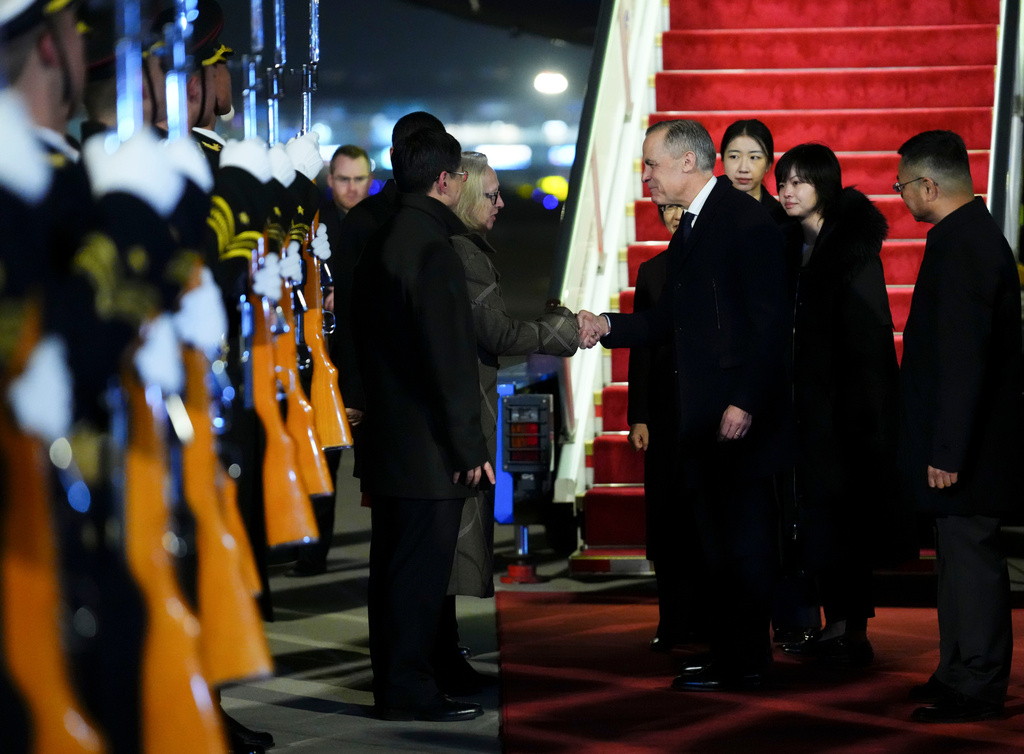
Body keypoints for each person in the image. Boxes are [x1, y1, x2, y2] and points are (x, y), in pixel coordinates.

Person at [578, 119, 791, 691]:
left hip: (736, 424)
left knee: (743, 548)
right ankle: (727, 653)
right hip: (700, 422)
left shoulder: (747, 222)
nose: (645, 176)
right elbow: (670, 320)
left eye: (652, 165)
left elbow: (773, 327)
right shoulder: (694, 226)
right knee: (715, 547)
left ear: (688, 164)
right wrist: (608, 326)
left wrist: (744, 401)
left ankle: (747, 661)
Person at [353, 127, 493, 722]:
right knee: (416, 577)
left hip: (388, 439)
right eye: (460, 176)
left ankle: (396, 682)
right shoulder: (433, 248)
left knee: (390, 571)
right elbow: (449, 358)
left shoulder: (384, 234)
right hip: (427, 447)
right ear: (443, 181)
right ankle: (409, 690)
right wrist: (468, 444)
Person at [433, 150, 579, 691]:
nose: (500, 204)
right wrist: (564, 329)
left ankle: (443, 655)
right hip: (462, 420)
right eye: (491, 195)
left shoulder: (455, 246)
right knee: (448, 547)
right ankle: (437, 661)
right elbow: (496, 334)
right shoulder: (465, 253)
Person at [894, 130, 1022, 723]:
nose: (900, 197)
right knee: (956, 559)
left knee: (972, 560)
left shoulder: (966, 244)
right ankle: (957, 670)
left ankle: (978, 682)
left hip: (968, 447)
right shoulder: (964, 236)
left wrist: (947, 448)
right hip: (962, 441)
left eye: (902, 186)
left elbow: (963, 357)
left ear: (928, 185)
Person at [769, 143, 909, 668]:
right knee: (816, 520)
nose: (787, 189)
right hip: (802, 410)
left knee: (843, 522)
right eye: (783, 180)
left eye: (801, 181)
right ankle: (834, 625)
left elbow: (871, 341)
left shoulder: (852, 250)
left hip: (844, 416)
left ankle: (851, 630)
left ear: (825, 186)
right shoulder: (789, 246)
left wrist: (859, 419)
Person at [627, 200, 711, 653]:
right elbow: (642, 346)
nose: (676, 217)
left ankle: (707, 620)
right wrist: (637, 413)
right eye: (669, 211)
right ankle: (672, 621)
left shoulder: (714, 265)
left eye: (683, 208)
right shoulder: (652, 271)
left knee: (704, 523)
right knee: (665, 522)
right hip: (661, 413)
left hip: (704, 413)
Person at [719, 118, 787, 224]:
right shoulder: (704, 210)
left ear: (768, 163)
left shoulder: (782, 219)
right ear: (723, 159)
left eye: (754, 157)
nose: (743, 168)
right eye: (734, 156)